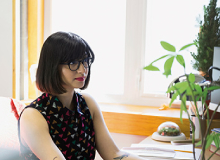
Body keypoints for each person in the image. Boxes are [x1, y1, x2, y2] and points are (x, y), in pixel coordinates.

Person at [18, 31, 146, 160]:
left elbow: (114, 155)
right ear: (53, 66)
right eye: (73, 63)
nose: (82, 70)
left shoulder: (87, 103)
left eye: (84, 61)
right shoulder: (33, 115)